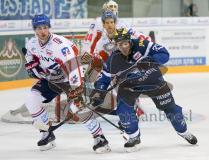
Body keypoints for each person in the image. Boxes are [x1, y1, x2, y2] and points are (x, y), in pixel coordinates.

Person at [91, 28, 198, 152]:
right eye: (120, 44)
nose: (123, 47)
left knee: (171, 108)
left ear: (130, 42)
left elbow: (164, 53)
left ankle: (183, 131)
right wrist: (99, 92)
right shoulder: (113, 59)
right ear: (116, 45)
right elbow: (104, 78)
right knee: (123, 109)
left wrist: (150, 60)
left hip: (153, 82)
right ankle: (133, 137)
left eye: (125, 43)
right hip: (129, 86)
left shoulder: (142, 45)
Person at [24, 14, 110, 153]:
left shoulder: (61, 45)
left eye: (45, 27)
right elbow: (29, 55)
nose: (42, 31)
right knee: (31, 99)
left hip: (69, 77)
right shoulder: (31, 44)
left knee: (77, 108)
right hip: (50, 79)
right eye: (39, 28)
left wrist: (77, 89)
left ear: (49, 27)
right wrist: (31, 64)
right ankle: (46, 132)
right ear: (35, 30)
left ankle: (99, 137)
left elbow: (74, 66)